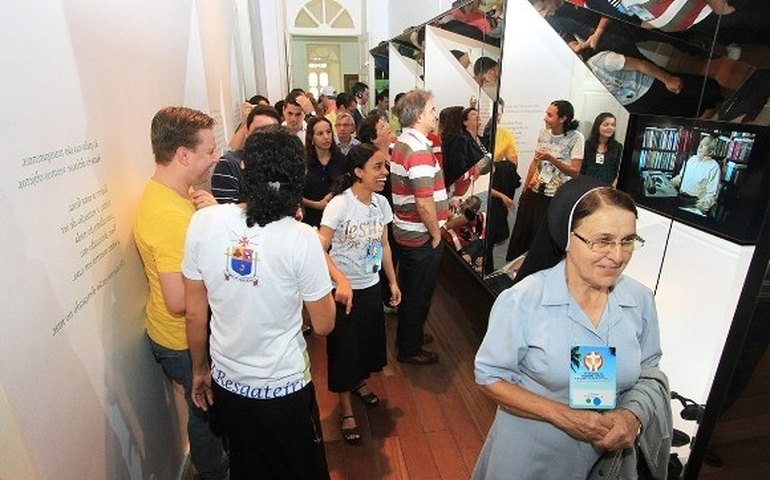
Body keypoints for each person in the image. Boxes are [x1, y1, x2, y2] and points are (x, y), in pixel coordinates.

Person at [473, 176, 672, 479]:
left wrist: (631, 416)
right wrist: (564, 416)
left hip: (609, 461)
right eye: (602, 241)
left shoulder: (640, 300)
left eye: (628, 241)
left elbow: (649, 373)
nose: (617, 256)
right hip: (532, 458)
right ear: (568, 238)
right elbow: (490, 377)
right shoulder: (522, 301)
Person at [184, 125, 335, 480]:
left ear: (246, 169)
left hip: (229, 381)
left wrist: (199, 370)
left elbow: (194, 313)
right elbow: (325, 323)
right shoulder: (301, 238)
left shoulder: (204, 222)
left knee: (248, 467)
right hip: (284, 386)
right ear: (296, 176)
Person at [133, 106, 228, 480]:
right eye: (208, 150)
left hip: (176, 336)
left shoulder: (173, 196)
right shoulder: (172, 218)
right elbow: (179, 301)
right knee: (206, 416)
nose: (215, 158)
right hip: (181, 341)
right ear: (183, 155)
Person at [319, 143, 401, 444]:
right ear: (358, 172)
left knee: (366, 344)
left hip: (370, 287)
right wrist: (340, 280)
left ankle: (360, 384)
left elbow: (384, 245)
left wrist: (391, 282)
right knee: (344, 350)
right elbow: (320, 246)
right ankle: (346, 410)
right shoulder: (340, 205)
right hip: (344, 295)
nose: (384, 172)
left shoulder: (381, 204)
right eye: (378, 167)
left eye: (385, 166)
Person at [390, 89, 448, 365]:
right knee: (417, 293)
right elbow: (424, 202)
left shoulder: (404, 141)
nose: (436, 115)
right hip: (420, 235)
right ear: (418, 115)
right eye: (432, 109)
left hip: (407, 230)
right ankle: (409, 348)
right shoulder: (418, 149)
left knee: (412, 289)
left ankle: (409, 335)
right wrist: (436, 234)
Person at [506, 100, 584, 261]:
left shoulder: (576, 138)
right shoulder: (543, 133)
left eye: (549, 115)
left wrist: (551, 158)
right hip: (535, 191)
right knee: (524, 233)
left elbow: (575, 172)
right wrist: (526, 187)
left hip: (556, 196)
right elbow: (535, 161)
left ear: (563, 118)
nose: (545, 118)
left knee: (543, 237)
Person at [585, 49, 722, 119]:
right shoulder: (583, 85)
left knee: (691, 88)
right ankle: (711, 112)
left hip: (648, 82)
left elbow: (640, 65)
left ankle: (720, 96)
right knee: (679, 111)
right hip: (632, 103)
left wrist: (667, 78)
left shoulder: (600, 61)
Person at [211, 105, 281, 203]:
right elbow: (225, 213)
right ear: (247, 131)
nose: (263, 137)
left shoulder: (282, 164)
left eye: (270, 131)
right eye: (257, 131)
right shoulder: (229, 164)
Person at [302, 116, 346, 227]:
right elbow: (294, 195)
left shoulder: (340, 158)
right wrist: (317, 205)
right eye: (320, 134)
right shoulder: (303, 161)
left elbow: (347, 185)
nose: (326, 137)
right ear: (311, 138)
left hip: (338, 218)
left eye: (328, 132)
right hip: (311, 219)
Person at [670, 134, 721, 213]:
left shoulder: (714, 166)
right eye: (700, 144)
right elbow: (680, 177)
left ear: (711, 151)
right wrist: (668, 184)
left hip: (695, 204)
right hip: (679, 197)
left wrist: (698, 207)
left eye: (704, 145)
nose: (700, 146)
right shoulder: (692, 159)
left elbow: (711, 195)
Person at [581, 112, 623, 186]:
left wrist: (612, 188)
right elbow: (581, 169)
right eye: (606, 125)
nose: (610, 128)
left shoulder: (618, 147)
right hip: (587, 186)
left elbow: (619, 171)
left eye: (613, 125)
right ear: (598, 126)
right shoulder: (587, 145)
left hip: (608, 188)